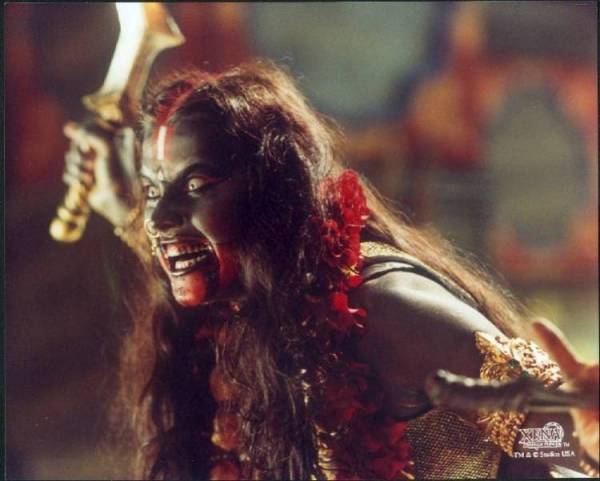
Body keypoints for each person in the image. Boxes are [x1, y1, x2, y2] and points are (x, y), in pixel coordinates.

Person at [62, 60, 599, 480]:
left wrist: (585, 433)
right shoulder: (245, 298)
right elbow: (175, 239)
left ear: (271, 194)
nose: (159, 217)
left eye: (197, 185)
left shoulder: (384, 308)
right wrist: (120, 201)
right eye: (155, 190)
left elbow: (551, 433)